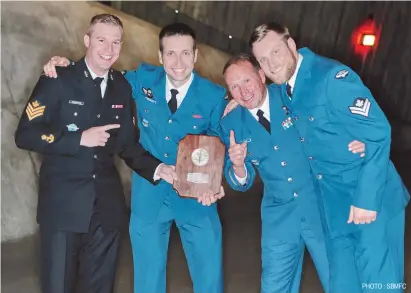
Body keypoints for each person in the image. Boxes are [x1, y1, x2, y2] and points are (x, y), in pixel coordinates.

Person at [224, 22, 410, 292]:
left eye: (275, 52)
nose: (271, 63)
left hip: (370, 200)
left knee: (380, 286)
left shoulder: (330, 77)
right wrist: (229, 102)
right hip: (334, 207)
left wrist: (367, 200)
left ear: (290, 44)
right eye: (263, 59)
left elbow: (378, 131)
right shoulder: (286, 90)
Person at [42, 22, 227, 293]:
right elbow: (101, 75)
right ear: (161, 56)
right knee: (147, 278)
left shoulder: (214, 96)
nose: (178, 62)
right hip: (149, 195)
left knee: (209, 276)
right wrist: (69, 66)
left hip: (196, 197)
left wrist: (215, 183)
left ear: (196, 55)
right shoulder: (141, 79)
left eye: (186, 53)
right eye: (171, 54)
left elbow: (219, 144)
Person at [15, 14, 179, 293]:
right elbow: (25, 134)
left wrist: (158, 169)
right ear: (87, 41)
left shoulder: (122, 87)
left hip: (106, 210)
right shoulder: (58, 79)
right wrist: (79, 139)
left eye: (116, 42)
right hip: (63, 207)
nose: (109, 49)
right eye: (102, 40)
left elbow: (127, 145)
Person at [219, 53, 367, 293]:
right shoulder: (231, 123)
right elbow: (240, 181)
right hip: (279, 217)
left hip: (320, 208)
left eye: (246, 81)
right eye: (234, 87)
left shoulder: (291, 95)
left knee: (340, 280)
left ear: (261, 74)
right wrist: (237, 165)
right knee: (274, 286)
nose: (243, 91)